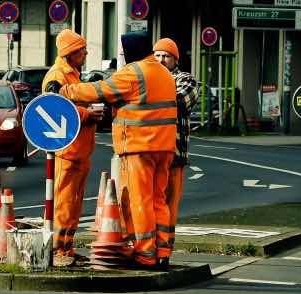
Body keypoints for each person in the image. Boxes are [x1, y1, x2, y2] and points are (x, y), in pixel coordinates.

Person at [60, 32, 177, 270]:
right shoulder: (164, 73)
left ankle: (145, 253)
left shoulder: (134, 72)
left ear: (132, 51)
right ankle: (163, 251)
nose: (123, 57)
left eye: (124, 52)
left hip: (139, 146)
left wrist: (65, 91)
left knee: (139, 201)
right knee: (158, 200)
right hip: (164, 147)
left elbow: (99, 91)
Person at [42, 29, 103, 266]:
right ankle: (58, 250)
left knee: (73, 203)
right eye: (82, 50)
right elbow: (53, 108)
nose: (86, 53)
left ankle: (66, 248)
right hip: (67, 151)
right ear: (70, 53)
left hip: (78, 150)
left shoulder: (72, 75)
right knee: (63, 202)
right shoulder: (57, 76)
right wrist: (88, 113)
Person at [153, 38, 198, 256]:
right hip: (150, 152)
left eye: (166, 56)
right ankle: (150, 245)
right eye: (158, 55)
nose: (161, 60)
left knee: (169, 203)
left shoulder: (185, 80)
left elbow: (179, 101)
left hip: (174, 153)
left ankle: (165, 248)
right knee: (151, 201)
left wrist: (150, 97)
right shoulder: (149, 78)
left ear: (175, 59)